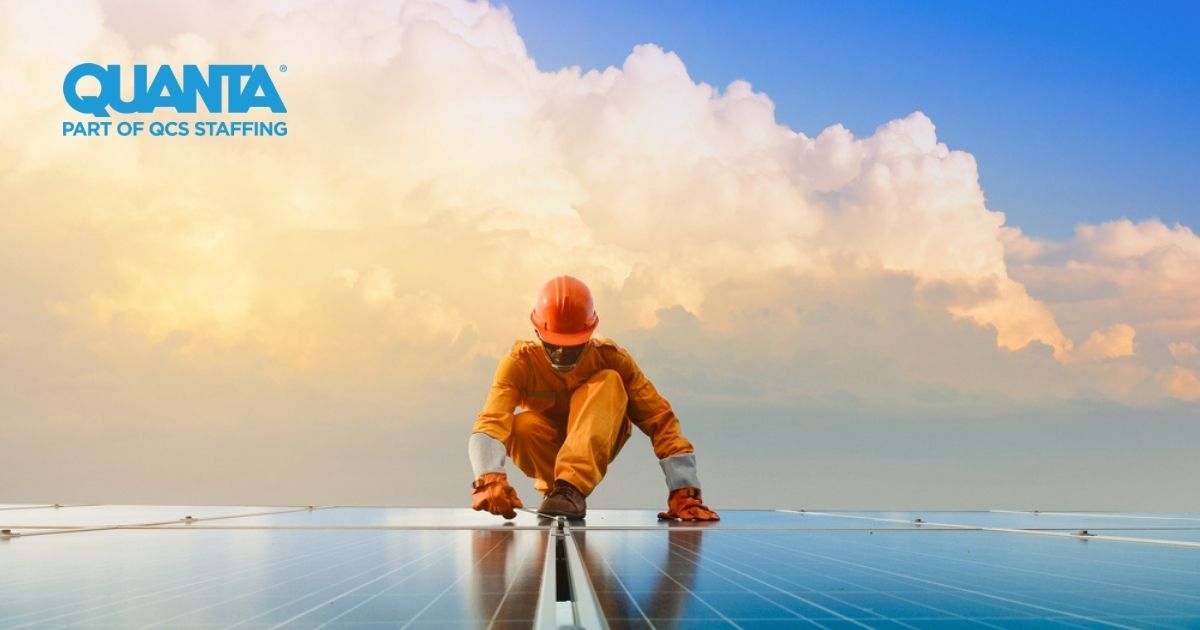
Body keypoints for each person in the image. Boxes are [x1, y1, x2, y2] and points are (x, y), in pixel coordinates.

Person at [468, 275, 719, 521]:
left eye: (572, 346)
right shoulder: (518, 364)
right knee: (521, 425)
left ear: (590, 333)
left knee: (609, 380)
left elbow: (659, 419)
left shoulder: (612, 358)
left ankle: (571, 489)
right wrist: (487, 477)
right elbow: (491, 422)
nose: (562, 355)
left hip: (599, 436)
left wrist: (684, 490)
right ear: (537, 331)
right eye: (554, 346)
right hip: (548, 453)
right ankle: (559, 491)